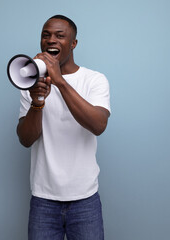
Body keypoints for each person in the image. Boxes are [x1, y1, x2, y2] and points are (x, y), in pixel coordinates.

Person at [16, 15, 110, 240]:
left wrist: (59, 81)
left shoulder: (94, 80)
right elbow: (26, 139)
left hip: (85, 200)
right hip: (43, 200)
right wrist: (37, 103)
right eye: (46, 35)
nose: (51, 40)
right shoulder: (31, 83)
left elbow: (98, 125)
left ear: (74, 43)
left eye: (60, 36)